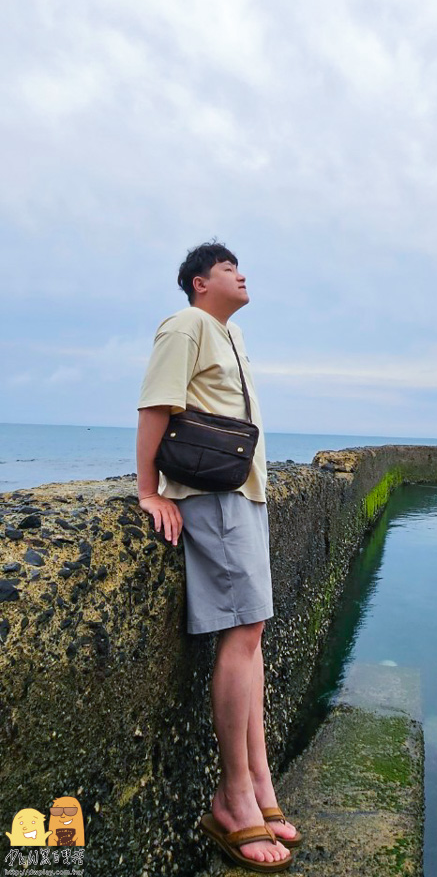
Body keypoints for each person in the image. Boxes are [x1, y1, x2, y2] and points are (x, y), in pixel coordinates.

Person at [135, 241, 300, 872]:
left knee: (252, 634)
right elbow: (157, 403)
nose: (242, 273)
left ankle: (259, 785)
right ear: (200, 283)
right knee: (244, 633)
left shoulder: (228, 335)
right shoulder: (186, 325)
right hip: (213, 495)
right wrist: (149, 490)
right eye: (229, 267)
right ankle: (232, 799)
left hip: (243, 494)